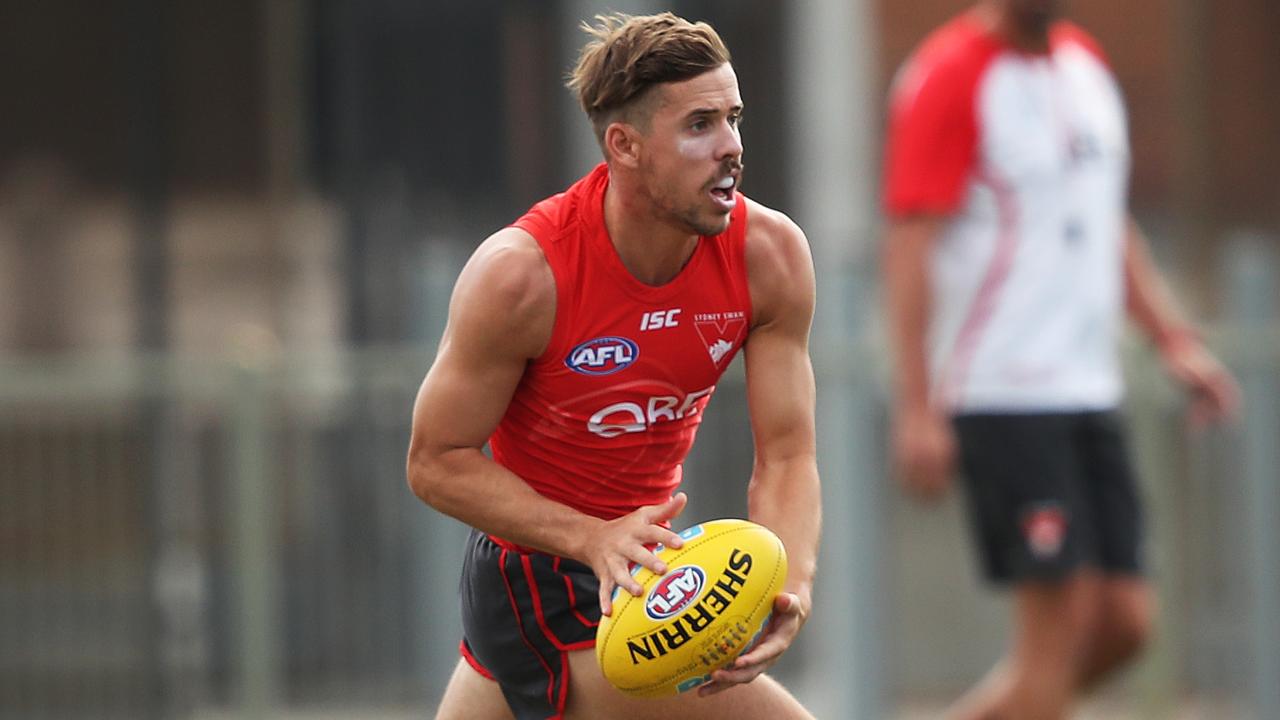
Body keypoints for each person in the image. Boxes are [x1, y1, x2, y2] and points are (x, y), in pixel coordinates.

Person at [407, 12, 820, 720]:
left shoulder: (769, 256)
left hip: (641, 573)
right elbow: (435, 460)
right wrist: (593, 538)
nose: (732, 148)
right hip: (537, 582)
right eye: (700, 126)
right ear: (624, 146)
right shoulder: (523, 276)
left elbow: (786, 454)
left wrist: (790, 584)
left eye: (734, 118)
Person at [881, 1, 1239, 718]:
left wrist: (1173, 340)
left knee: (1126, 624)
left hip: (1089, 386)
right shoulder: (950, 75)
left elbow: (1107, 222)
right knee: (1055, 633)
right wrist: (917, 407)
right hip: (1002, 391)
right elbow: (910, 246)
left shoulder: (1086, 66)